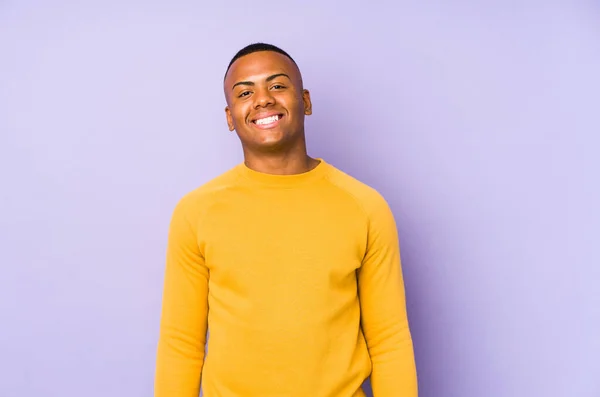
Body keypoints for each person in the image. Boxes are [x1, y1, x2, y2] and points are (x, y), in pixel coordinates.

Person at [154, 42, 418, 397]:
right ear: (230, 117)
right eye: (245, 92)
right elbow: (181, 343)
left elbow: (389, 339)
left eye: (277, 85)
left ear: (305, 101)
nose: (263, 99)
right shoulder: (196, 212)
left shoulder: (365, 206)